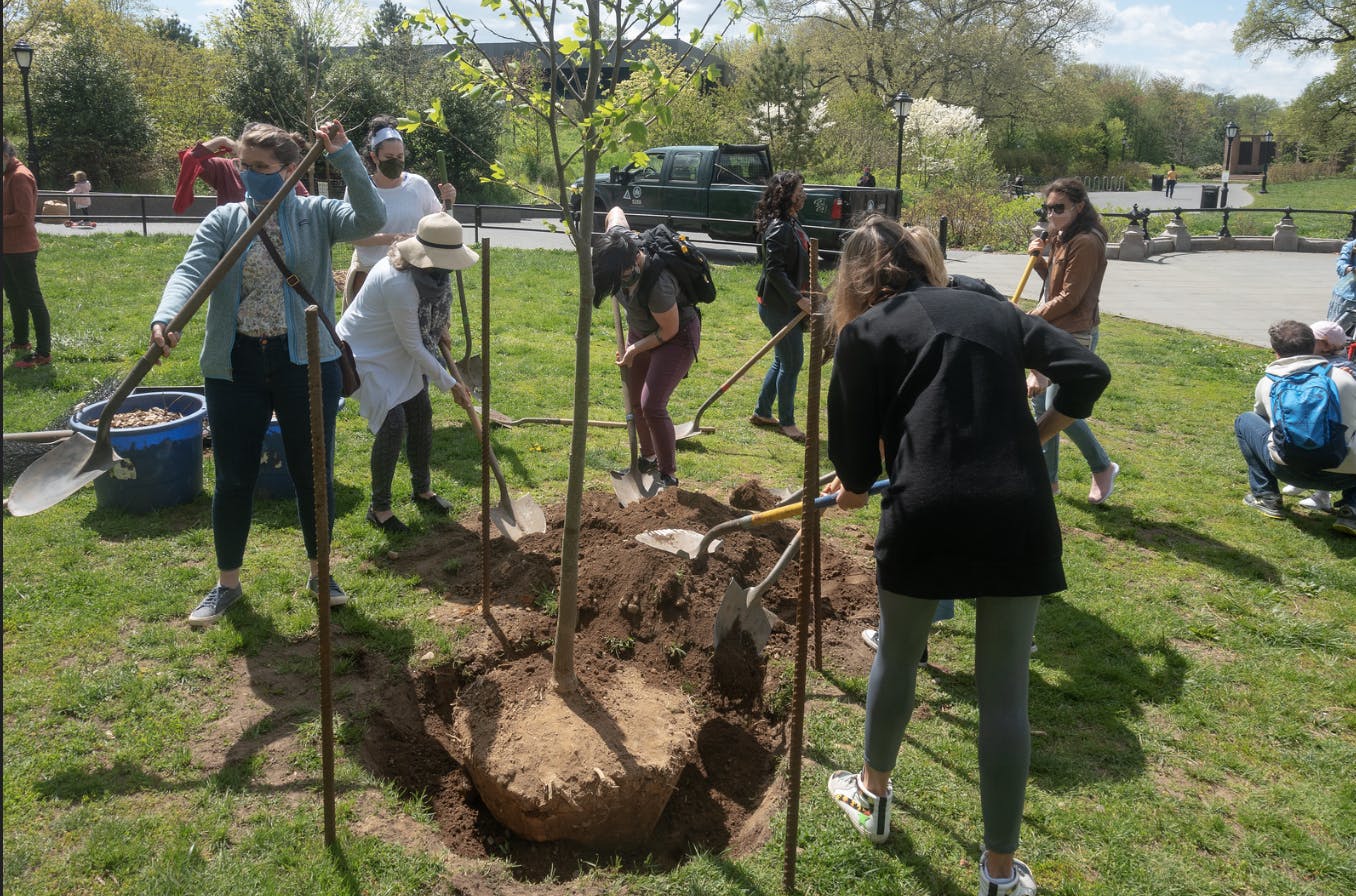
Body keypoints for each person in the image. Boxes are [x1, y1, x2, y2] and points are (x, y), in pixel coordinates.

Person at [823, 216, 1110, 896]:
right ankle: (1000, 875)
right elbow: (1087, 369)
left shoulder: (864, 332)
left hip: (926, 512)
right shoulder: (994, 313)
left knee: (898, 654)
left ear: (859, 281)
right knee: (1005, 693)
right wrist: (1039, 430)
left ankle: (872, 795)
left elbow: (855, 461)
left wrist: (856, 488)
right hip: (1019, 510)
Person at [151, 120, 386, 626]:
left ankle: (320, 572)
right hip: (235, 365)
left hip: (305, 363)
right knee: (234, 476)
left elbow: (371, 215)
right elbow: (191, 271)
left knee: (312, 474)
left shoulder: (317, 216)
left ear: (288, 169)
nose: (250, 175)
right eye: (244, 165)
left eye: (262, 167)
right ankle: (227, 584)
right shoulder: (226, 222)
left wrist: (344, 154)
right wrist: (166, 316)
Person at [338, 212, 476, 532]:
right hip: (365, 356)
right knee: (393, 423)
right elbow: (414, 345)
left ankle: (422, 490)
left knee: (421, 413)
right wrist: (452, 384)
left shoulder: (430, 277)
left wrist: (439, 327)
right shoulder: (398, 282)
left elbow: (421, 328)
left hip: (396, 351)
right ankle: (380, 508)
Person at [592, 206, 702, 488]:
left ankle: (668, 475)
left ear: (630, 266)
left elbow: (669, 329)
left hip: (675, 337)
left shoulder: (657, 284)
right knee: (634, 401)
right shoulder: (617, 245)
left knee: (652, 405)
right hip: (641, 331)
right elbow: (615, 211)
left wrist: (634, 349)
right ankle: (648, 457)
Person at [1027, 177, 1119, 503]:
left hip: (1075, 333)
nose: (1051, 215)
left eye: (1058, 209)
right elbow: (1055, 283)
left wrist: (1028, 319)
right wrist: (1039, 260)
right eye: (1048, 209)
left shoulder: (1087, 242)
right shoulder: (1063, 237)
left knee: (1058, 409)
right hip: (1055, 328)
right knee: (1042, 406)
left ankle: (1103, 466)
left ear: (1079, 207)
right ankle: (1049, 482)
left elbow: (1070, 297)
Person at [1236, 320, 1356, 536]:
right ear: (1314, 346)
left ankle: (1266, 495)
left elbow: (1262, 418)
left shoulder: (1268, 381)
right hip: (1346, 475)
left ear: (1275, 351)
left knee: (1246, 420)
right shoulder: (1345, 379)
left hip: (1286, 468)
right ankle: (1352, 509)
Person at [341, 115, 455, 311]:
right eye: (389, 158)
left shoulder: (417, 185)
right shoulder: (360, 188)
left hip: (415, 274)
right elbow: (353, 236)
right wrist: (395, 239)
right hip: (370, 273)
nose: (396, 162)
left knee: (414, 334)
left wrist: (449, 202)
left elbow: (439, 223)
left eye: (400, 157)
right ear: (374, 156)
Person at [750, 170, 814, 443]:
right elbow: (774, 271)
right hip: (778, 305)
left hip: (787, 303)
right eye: (800, 190)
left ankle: (763, 412)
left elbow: (799, 263)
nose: (804, 194)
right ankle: (787, 421)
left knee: (782, 359)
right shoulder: (779, 227)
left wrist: (814, 290)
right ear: (787, 194)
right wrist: (798, 299)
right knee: (792, 361)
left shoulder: (791, 223)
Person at [1281, 320, 1356, 512]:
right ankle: (1323, 496)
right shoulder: (1326, 363)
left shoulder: (1339, 368)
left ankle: (1331, 498)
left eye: (1310, 339)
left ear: (1326, 345)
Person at [3, 138, 51, 369]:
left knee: (33, 300)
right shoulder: (7, 175)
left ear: (5, 155)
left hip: (21, 249)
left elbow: (24, 216)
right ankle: (21, 342)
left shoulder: (20, 176)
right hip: (6, 248)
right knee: (15, 297)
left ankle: (43, 353)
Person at [172, 135, 309, 212]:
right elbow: (191, 159)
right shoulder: (226, 168)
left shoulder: (281, 173)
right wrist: (222, 140)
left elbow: (305, 206)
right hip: (233, 243)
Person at [1329, 238, 1355, 335]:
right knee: (1335, 333)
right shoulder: (1351, 246)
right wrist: (1351, 270)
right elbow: (1341, 267)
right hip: (1348, 297)